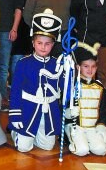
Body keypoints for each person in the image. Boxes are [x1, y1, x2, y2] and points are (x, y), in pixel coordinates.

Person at [9, 9, 65, 152]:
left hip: (49, 114)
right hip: (28, 111)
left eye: (48, 44)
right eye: (39, 43)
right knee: (23, 148)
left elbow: (65, 88)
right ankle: (17, 133)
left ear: (53, 44)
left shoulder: (58, 64)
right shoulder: (23, 63)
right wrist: (15, 116)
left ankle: (35, 135)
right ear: (33, 43)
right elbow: (15, 91)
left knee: (47, 147)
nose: (43, 47)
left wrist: (70, 72)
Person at [65, 42, 106, 156]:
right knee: (82, 150)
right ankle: (78, 141)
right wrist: (69, 113)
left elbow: (103, 111)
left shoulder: (100, 88)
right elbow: (62, 107)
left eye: (93, 66)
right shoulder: (71, 85)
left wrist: (102, 125)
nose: (90, 70)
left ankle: (88, 140)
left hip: (92, 127)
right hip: (76, 126)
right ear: (78, 67)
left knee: (100, 150)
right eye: (86, 66)